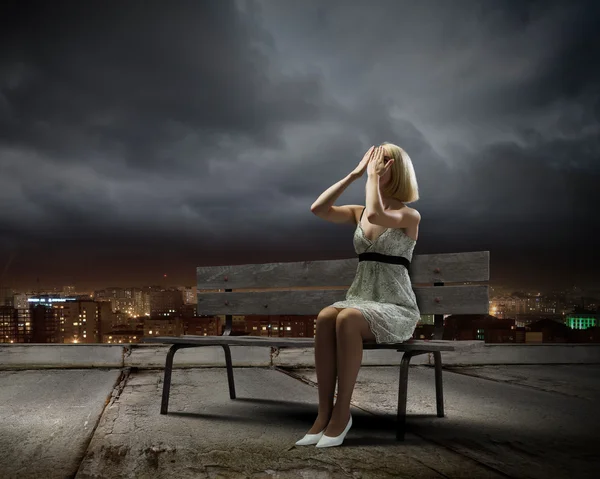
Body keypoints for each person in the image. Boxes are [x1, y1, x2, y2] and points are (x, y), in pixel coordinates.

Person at [296, 143, 421, 448]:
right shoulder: (359, 212)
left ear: (397, 169)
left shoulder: (409, 215)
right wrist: (353, 175)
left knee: (348, 318)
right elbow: (318, 209)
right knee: (327, 315)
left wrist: (372, 180)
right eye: (374, 163)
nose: (375, 167)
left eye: (383, 163)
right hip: (361, 298)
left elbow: (378, 215)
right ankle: (323, 414)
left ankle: (342, 414)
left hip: (395, 306)